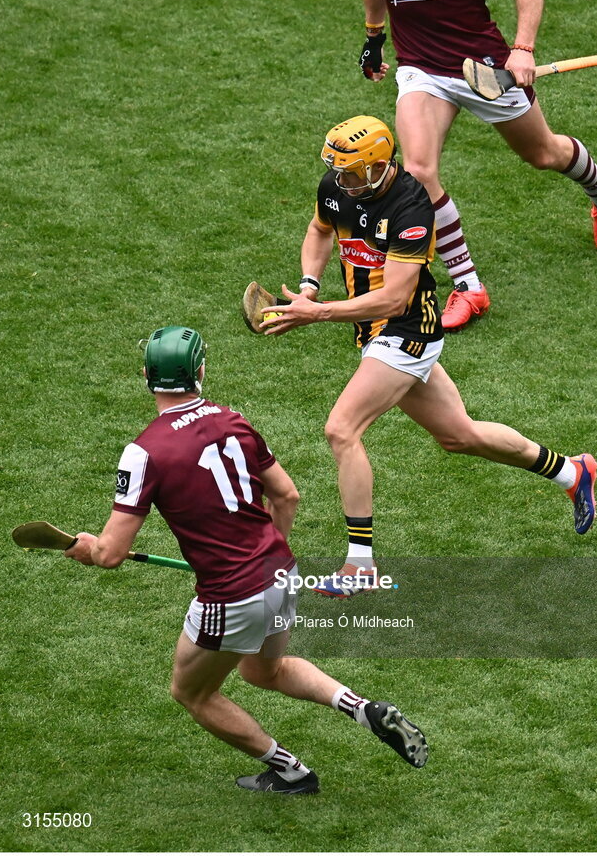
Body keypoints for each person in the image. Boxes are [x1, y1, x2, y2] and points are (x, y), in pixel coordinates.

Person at [63, 324, 428, 793]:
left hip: (229, 598)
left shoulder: (143, 452)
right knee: (263, 670)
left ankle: (290, 771)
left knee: (191, 692)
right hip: (280, 571)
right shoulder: (232, 419)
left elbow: (111, 554)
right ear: (199, 371)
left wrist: (87, 548)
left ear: (146, 376)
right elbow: (288, 496)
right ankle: (361, 708)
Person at [260, 116, 597, 597]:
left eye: (354, 173)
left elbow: (393, 299)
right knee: (460, 436)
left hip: (406, 330)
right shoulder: (337, 186)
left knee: (341, 429)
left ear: (379, 167)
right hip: (373, 332)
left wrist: (317, 314)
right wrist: (311, 286)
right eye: (339, 172)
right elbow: (319, 231)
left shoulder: (411, 205)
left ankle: (361, 565)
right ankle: (572, 470)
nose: (344, 181)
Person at [352, 0, 597, 331]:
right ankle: (469, 287)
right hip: (421, 69)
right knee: (416, 170)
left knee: (543, 154)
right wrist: (374, 37)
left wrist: (522, 49)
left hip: (482, 69)